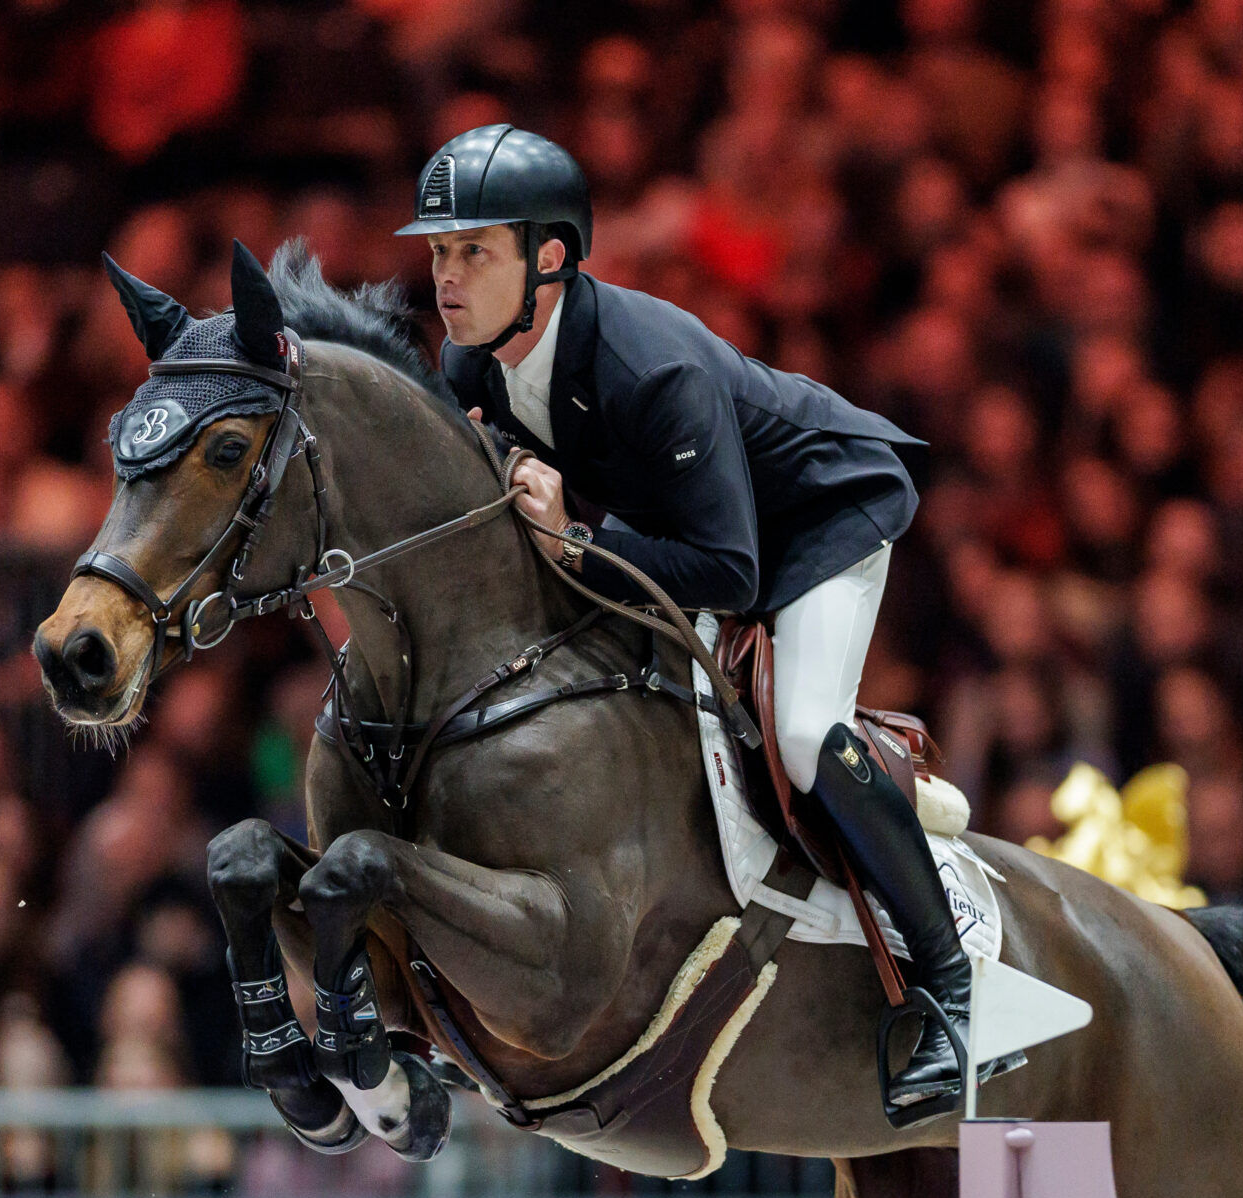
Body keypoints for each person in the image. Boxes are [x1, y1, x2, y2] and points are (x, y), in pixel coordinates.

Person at [398, 124, 980, 1121]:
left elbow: (729, 570)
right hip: (676, 522)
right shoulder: (473, 366)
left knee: (801, 732)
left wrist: (574, 545)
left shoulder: (650, 367)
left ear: (549, 258)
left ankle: (951, 986)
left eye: (473, 252)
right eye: (440, 253)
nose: (447, 280)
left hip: (817, 517)